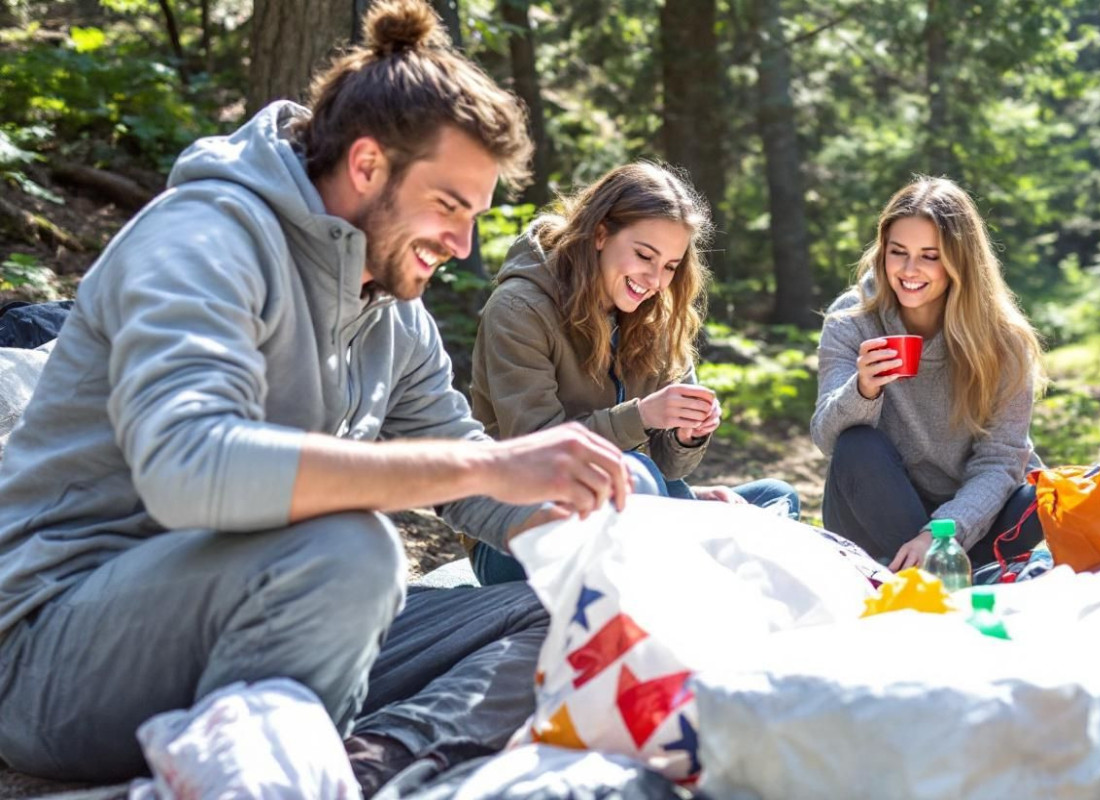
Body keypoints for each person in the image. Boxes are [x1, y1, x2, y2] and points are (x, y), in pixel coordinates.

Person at [0, 1, 631, 789]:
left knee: (579, 613)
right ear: (367, 166)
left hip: (262, 608)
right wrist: (490, 468)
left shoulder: (392, 310)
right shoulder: (204, 240)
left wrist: (622, 537)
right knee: (355, 549)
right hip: (54, 655)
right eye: (449, 207)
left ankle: (366, 764)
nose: (464, 245)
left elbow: (476, 472)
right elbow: (188, 465)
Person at [468, 162, 800, 584]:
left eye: (670, 266)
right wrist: (642, 418)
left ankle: (694, 564)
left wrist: (685, 434)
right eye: (644, 255)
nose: (655, 279)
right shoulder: (519, 309)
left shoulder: (653, 315)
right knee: (638, 476)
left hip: (627, 506)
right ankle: (702, 574)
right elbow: (538, 452)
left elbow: (669, 467)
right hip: (520, 529)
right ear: (601, 234)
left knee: (775, 498)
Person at [812, 176, 1046, 573]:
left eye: (930, 256)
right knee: (857, 444)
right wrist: (863, 390)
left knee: (1040, 497)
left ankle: (933, 569)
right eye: (897, 252)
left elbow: (1000, 460)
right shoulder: (852, 319)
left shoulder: (1003, 340)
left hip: (966, 519)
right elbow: (826, 438)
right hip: (876, 505)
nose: (909, 269)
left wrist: (941, 537)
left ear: (960, 260)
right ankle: (952, 575)